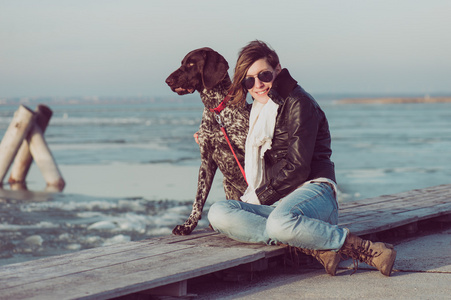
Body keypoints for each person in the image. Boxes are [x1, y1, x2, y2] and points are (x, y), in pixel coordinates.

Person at [207, 40, 397, 276]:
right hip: (281, 201)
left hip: (314, 191)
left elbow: (297, 168)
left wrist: (259, 198)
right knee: (218, 213)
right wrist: (208, 138)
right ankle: (317, 248)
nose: (257, 85)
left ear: (278, 69)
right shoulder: (261, 109)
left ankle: (364, 249)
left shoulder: (299, 103)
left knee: (278, 224)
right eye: (249, 80)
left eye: (264, 75)